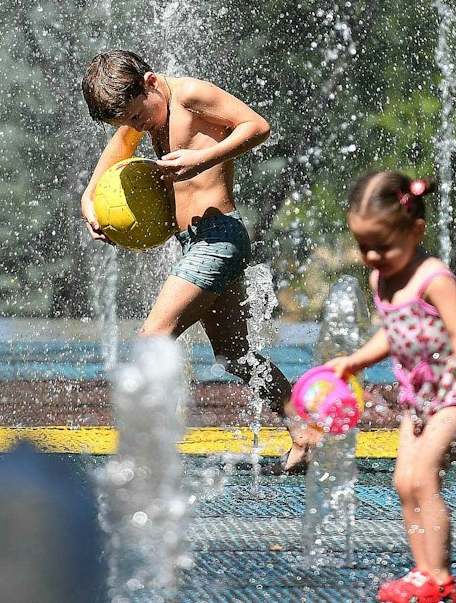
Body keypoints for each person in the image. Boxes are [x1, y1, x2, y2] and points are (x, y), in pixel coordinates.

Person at [78, 48, 310, 473]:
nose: (136, 128)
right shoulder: (145, 111)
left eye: (135, 117)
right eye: (127, 123)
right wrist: (88, 200)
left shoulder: (189, 95)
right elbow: (117, 151)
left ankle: (146, 452)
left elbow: (257, 126)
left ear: (149, 83)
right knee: (234, 355)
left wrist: (202, 158)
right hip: (194, 240)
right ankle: (303, 431)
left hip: (219, 236)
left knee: (153, 337)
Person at [321, 171, 456, 603]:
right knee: (403, 482)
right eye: (363, 247)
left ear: (416, 230)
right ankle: (422, 574)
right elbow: (392, 333)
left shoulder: (434, 279)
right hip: (417, 405)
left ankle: (442, 579)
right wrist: (355, 360)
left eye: (383, 245)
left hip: (450, 399)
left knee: (425, 478)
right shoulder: (382, 279)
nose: (373, 255)